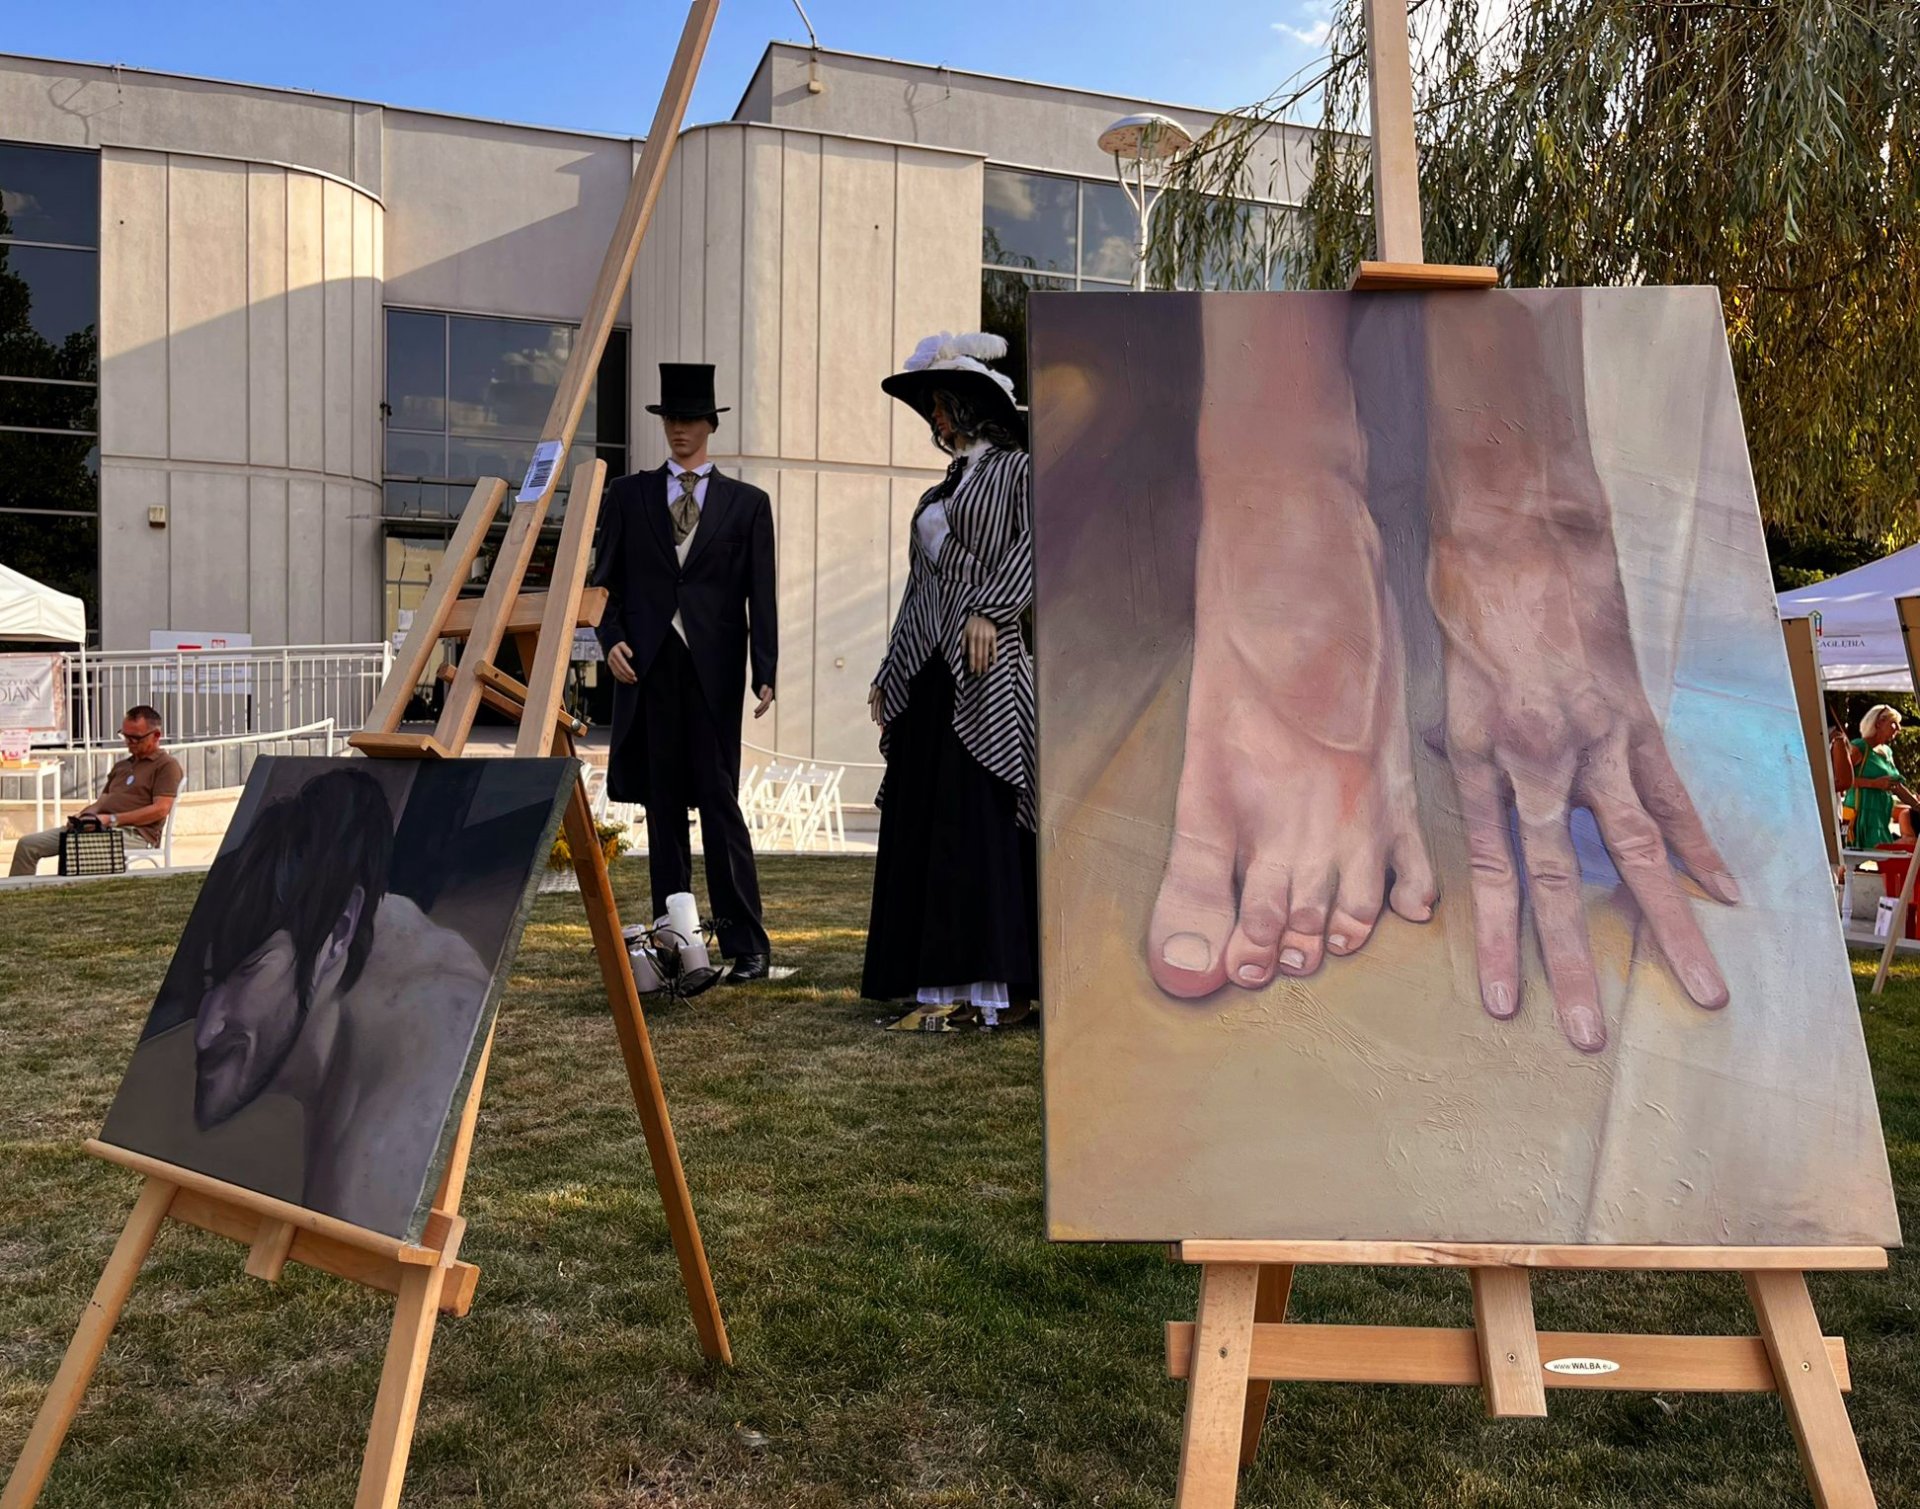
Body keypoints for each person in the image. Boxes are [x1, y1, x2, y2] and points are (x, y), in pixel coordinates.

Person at [100, 768, 495, 1236]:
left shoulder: (367, 1171)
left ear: (340, 931)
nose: (204, 1032)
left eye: (246, 972)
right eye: (208, 983)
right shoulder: (382, 921)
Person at [862, 332, 1038, 1028]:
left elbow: (1039, 544)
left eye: (941, 403)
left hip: (989, 673)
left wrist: (992, 609)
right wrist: (890, 668)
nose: (934, 417)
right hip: (932, 671)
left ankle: (994, 990)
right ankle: (931, 984)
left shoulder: (1019, 472)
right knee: (929, 820)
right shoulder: (937, 491)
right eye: (931, 406)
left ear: (970, 405)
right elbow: (919, 590)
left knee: (977, 819)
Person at [590, 362, 777, 984]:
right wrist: (610, 640)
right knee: (663, 805)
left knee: (720, 802)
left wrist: (766, 668)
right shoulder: (628, 495)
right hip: (648, 670)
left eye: (691, 419)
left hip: (713, 673)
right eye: (671, 418)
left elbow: (761, 594)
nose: (680, 429)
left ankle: (747, 945)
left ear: (710, 425)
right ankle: (676, 945)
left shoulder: (748, 505)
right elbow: (604, 585)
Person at [9, 705, 182, 877]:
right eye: (125, 735)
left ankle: (67, 889)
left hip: (135, 834)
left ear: (156, 736)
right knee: (28, 845)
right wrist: (83, 816)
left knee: (80, 848)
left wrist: (112, 819)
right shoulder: (122, 766)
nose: (129, 742)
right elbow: (101, 803)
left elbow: (161, 809)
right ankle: (17, 893)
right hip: (98, 827)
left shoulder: (166, 765)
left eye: (136, 738)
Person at [1850, 704, 1917, 849]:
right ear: (1879, 723)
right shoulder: (1858, 747)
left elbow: (1897, 786)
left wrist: (1916, 806)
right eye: (1894, 723)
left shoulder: (1886, 752)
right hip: (1860, 816)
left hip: (1880, 817)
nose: (1899, 728)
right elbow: (1838, 780)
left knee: (1882, 854)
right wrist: (1874, 784)